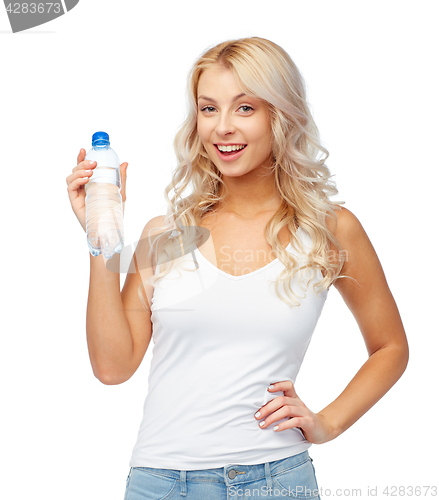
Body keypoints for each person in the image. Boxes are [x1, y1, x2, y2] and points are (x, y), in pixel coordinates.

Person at [67, 36, 409, 500]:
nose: (222, 128)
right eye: (208, 109)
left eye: (244, 108)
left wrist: (327, 423)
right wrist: (99, 236)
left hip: (276, 480)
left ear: (280, 115)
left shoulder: (331, 229)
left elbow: (390, 347)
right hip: (162, 484)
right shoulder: (163, 235)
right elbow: (112, 366)